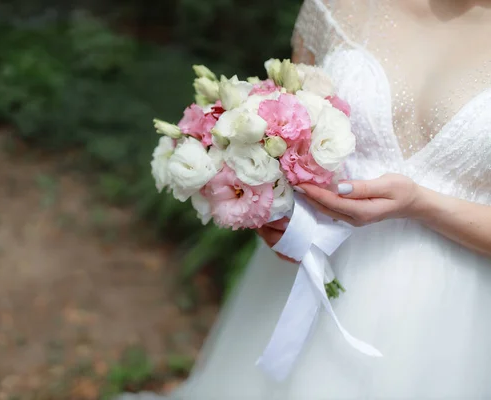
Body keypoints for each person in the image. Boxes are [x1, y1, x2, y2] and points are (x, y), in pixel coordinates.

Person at [118, 0, 491, 397]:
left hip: (447, 315)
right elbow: (287, 135)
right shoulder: (336, 8)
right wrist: (271, 212)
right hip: (307, 271)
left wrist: (421, 204)